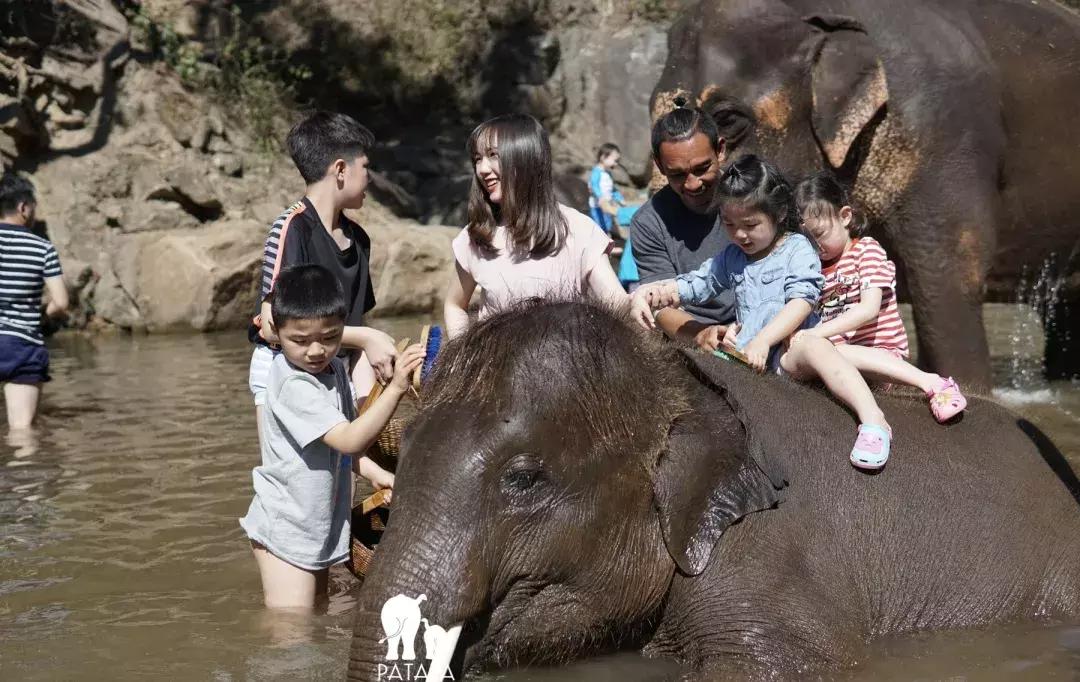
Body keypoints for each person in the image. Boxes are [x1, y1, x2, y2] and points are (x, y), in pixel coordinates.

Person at [631, 156, 896, 470]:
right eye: (729, 225)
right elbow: (696, 285)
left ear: (779, 213)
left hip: (788, 356)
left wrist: (764, 339)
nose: (740, 235)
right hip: (749, 362)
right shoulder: (731, 257)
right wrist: (653, 292)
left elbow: (802, 300)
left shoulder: (797, 248)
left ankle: (873, 419)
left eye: (750, 225)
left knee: (813, 347)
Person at [240, 264, 424, 609]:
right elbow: (350, 440)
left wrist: (380, 475)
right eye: (300, 340)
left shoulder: (333, 369)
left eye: (329, 337)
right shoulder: (294, 383)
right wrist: (396, 388)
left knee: (317, 614)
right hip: (288, 527)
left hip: (316, 524)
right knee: (291, 630)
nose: (315, 351)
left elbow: (341, 451)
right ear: (276, 333)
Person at [248, 111, 397, 442]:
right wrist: (366, 338)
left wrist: (370, 407)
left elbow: (355, 328)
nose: (370, 178)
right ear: (341, 170)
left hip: (335, 367)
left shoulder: (359, 240)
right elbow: (272, 327)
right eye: (366, 167)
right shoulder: (292, 228)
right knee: (295, 484)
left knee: (344, 484)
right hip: (285, 370)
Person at [795, 172, 967, 422]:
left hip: (879, 355)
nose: (815, 245)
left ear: (845, 217)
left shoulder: (867, 250)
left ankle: (931, 382)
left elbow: (868, 309)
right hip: (840, 362)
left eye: (819, 234)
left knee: (826, 351)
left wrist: (815, 336)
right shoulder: (814, 269)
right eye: (807, 239)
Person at [443, 114, 625, 337]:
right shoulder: (476, 236)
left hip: (566, 365)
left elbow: (619, 307)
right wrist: (464, 359)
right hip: (496, 368)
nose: (482, 169)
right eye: (478, 158)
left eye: (492, 155)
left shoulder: (579, 230)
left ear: (526, 159)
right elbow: (454, 306)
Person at [630, 107, 736, 350]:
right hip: (696, 336)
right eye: (677, 174)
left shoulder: (752, 196)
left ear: (720, 150)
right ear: (659, 165)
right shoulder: (648, 223)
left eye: (701, 169)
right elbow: (662, 305)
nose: (692, 184)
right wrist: (702, 334)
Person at [0, 172, 68, 431]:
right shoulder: (42, 248)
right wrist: (41, 316)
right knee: (21, 430)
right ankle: (27, 469)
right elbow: (61, 302)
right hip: (22, 345)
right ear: (23, 207)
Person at [588, 143, 626, 236]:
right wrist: (600, 197)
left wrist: (619, 198)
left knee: (607, 224)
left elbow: (612, 189)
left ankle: (607, 245)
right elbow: (594, 185)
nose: (616, 163)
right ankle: (599, 246)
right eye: (615, 160)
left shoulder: (608, 173)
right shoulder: (596, 172)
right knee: (598, 225)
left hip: (607, 205)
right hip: (598, 205)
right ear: (603, 157)